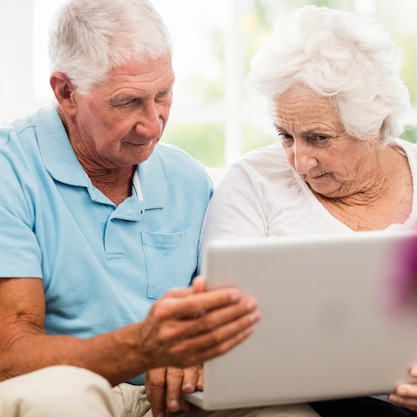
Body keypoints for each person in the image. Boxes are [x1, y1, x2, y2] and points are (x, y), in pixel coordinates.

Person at [0, 1, 319, 417]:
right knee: (64, 401)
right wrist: (141, 348)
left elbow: (216, 316)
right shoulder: (10, 169)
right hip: (70, 389)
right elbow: (11, 354)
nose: (153, 124)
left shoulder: (187, 178)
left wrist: (196, 356)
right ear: (66, 93)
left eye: (163, 94)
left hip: (173, 394)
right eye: (128, 101)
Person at [201, 5, 417, 417]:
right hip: (323, 402)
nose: (299, 161)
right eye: (285, 136)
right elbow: (217, 325)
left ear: (373, 127)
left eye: (319, 138)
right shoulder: (251, 185)